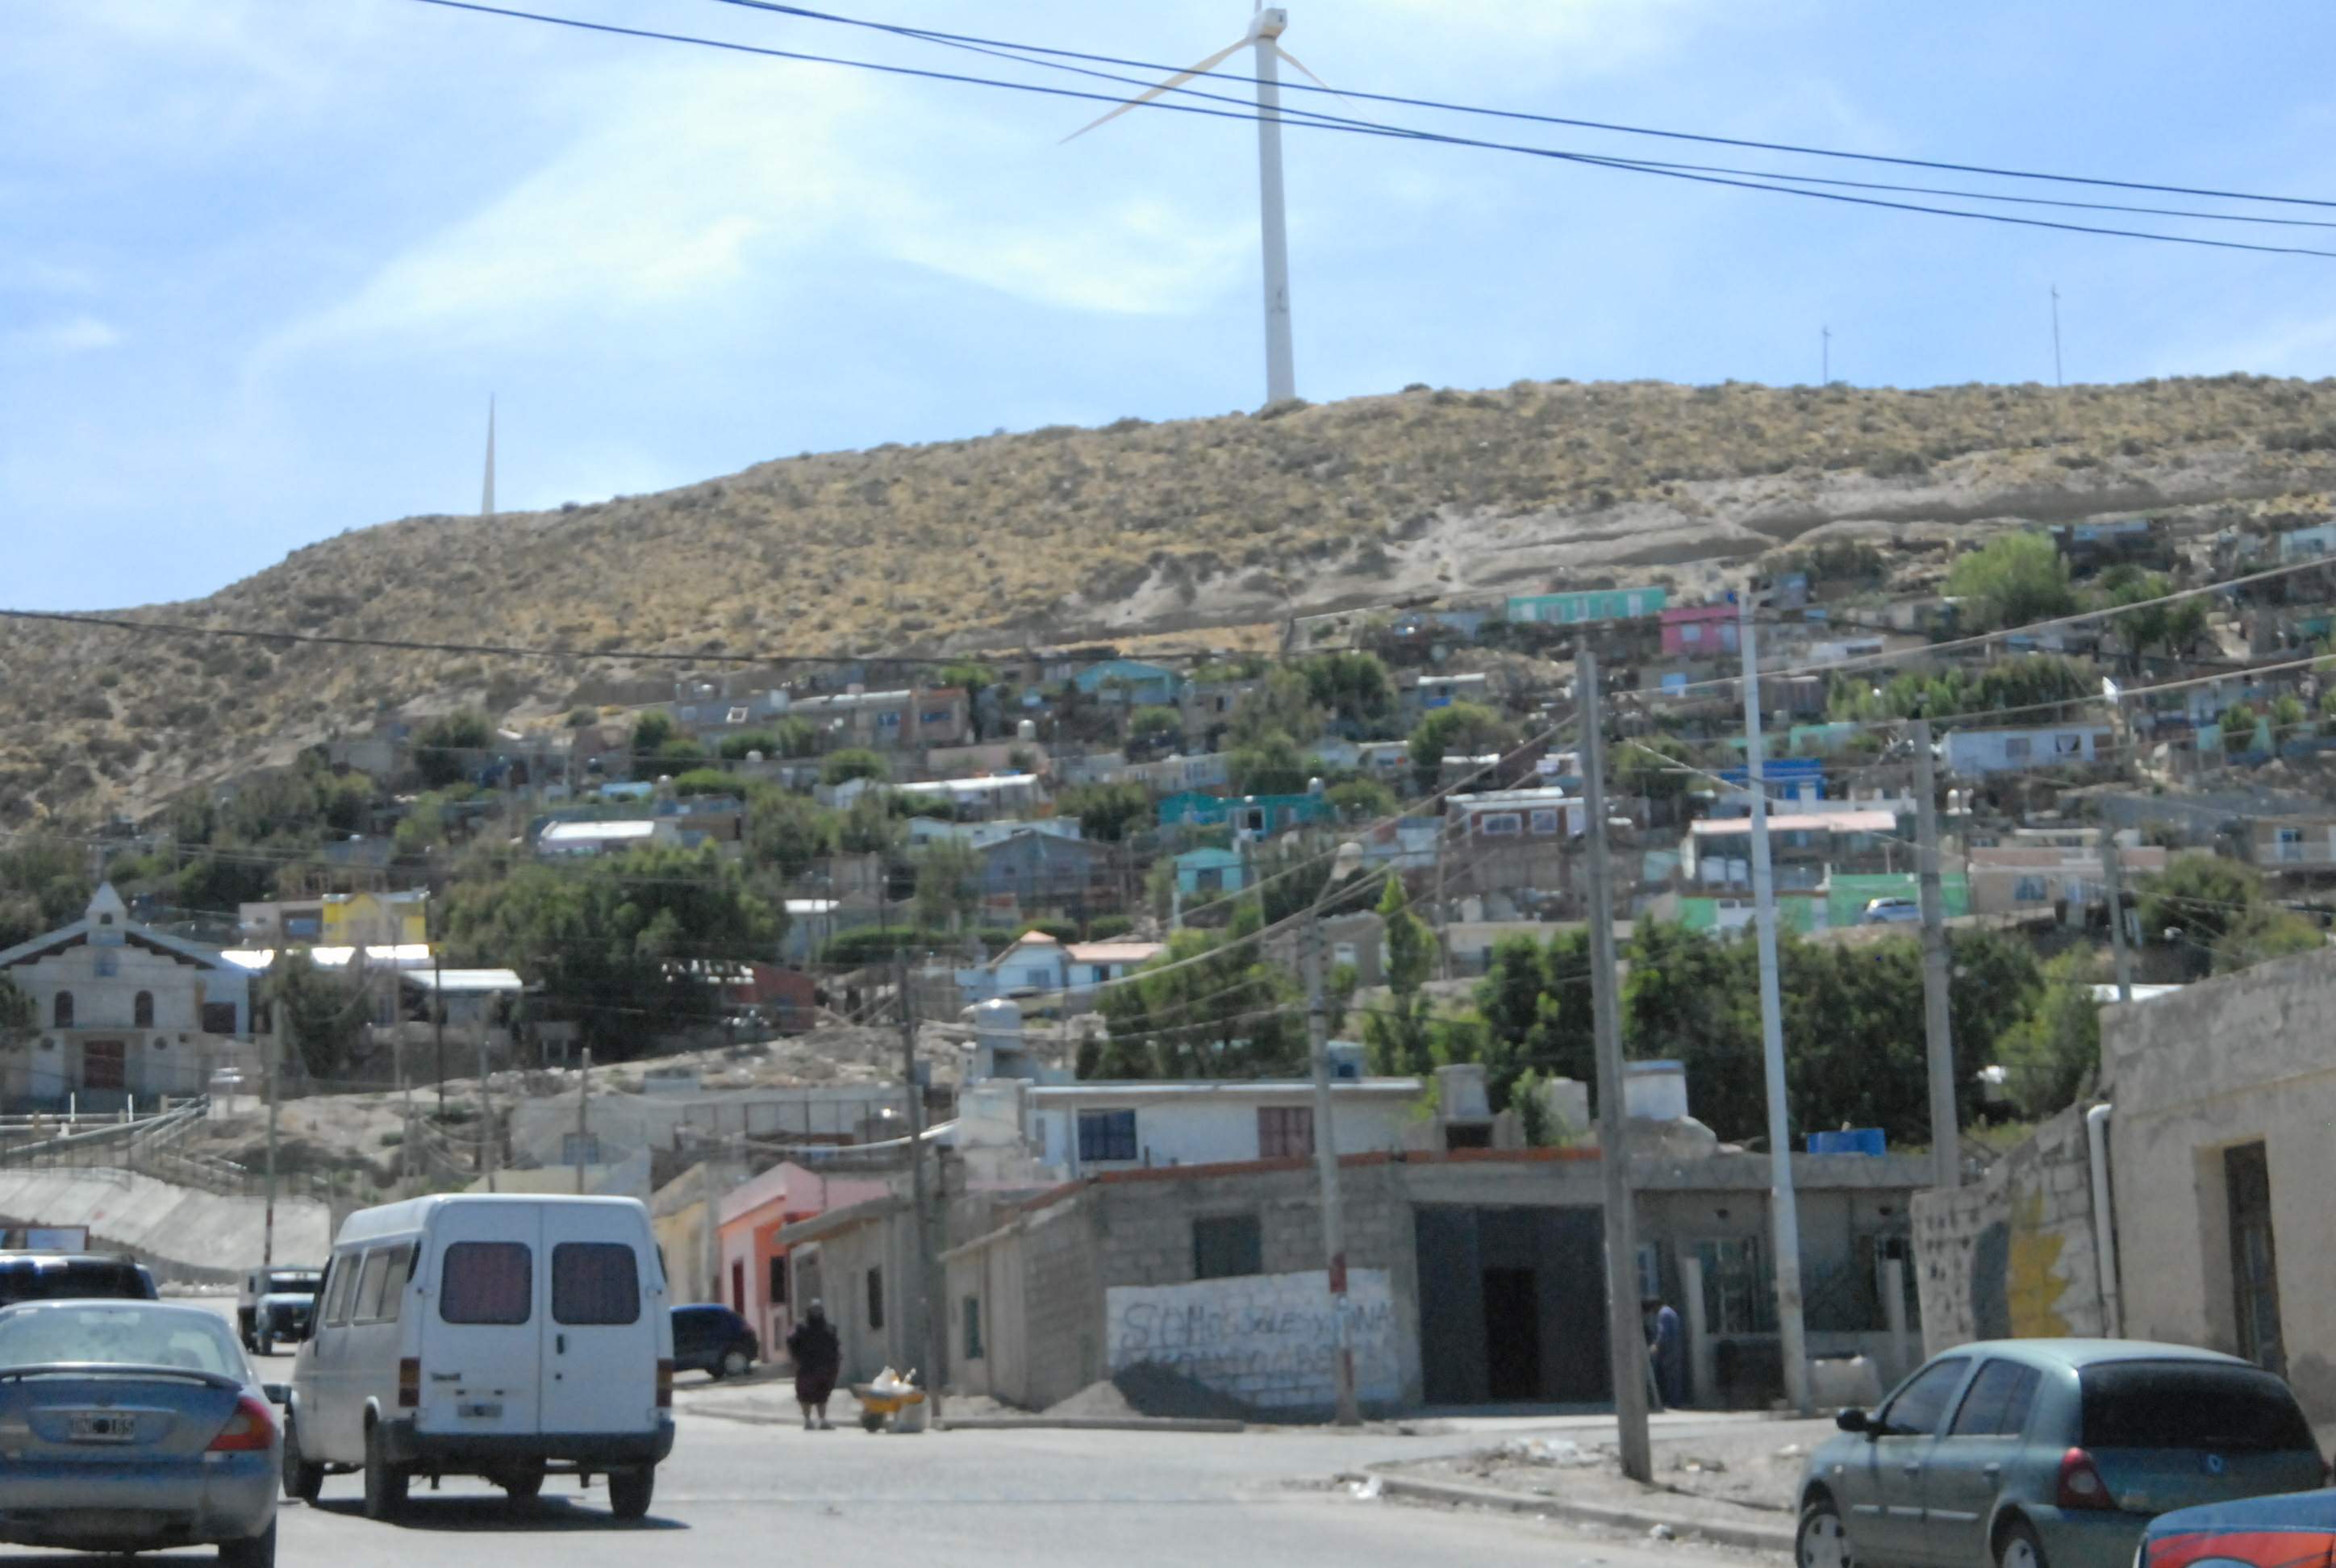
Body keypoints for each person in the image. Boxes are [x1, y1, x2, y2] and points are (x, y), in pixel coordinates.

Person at [786, 1299, 842, 1431]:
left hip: (825, 1367)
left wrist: (835, 1363)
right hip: (807, 1367)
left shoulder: (829, 1328)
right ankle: (807, 1420)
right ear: (809, 1312)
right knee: (805, 1395)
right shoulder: (801, 1328)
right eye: (814, 1310)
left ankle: (822, 1420)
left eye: (819, 1310)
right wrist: (796, 1359)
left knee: (823, 1395)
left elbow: (835, 1346)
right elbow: (791, 1342)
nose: (816, 1313)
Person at [1644, 1295, 1686, 1411]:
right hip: (1675, 1349)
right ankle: (1676, 1401)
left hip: (1670, 1351)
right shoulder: (1670, 1312)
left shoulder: (1664, 1315)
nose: (1653, 1313)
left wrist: (1655, 1346)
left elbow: (1663, 1333)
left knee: (1671, 1378)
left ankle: (1674, 1402)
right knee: (1675, 1377)